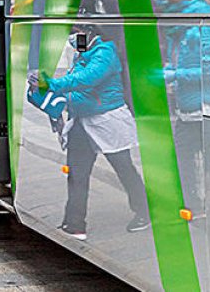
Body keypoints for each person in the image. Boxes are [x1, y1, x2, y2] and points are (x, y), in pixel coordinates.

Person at [40, 27, 150, 240]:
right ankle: (74, 224)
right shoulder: (82, 52)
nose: (71, 37)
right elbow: (76, 82)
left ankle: (144, 211)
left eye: (75, 31)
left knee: (124, 168)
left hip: (107, 122)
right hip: (82, 121)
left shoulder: (105, 53)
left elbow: (86, 79)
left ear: (88, 31)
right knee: (76, 174)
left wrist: (52, 85)